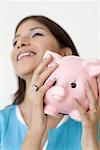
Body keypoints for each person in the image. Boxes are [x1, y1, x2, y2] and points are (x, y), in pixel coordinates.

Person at [0, 15, 100, 150]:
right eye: (15, 42)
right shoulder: (2, 121)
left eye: (36, 34)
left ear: (64, 55)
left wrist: (90, 131)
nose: (20, 43)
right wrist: (35, 129)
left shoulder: (92, 121)